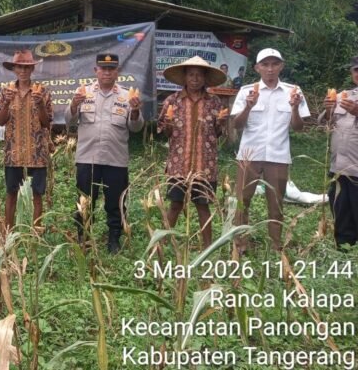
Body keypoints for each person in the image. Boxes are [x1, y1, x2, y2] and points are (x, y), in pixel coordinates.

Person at [231, 48, 309, 253]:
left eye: (275, 64)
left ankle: (275, 246)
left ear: (281, 66)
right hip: (249, 155)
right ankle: (240, 244)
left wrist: (294, 108)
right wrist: (248, 106)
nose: (270, 69)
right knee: (242, 200)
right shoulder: (246, 91)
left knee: (276, 203)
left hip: (278, 155)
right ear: (257, 68)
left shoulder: (293, 91)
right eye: (265, 64)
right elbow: (237, 125)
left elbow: (299, 127)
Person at [65, 53, 142, 253]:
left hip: (115, 160)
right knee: (84, 201)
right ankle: (84, 239)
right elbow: (69, 121)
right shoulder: (83, 93)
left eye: (111, 69)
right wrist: (74, 105)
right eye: (103, 69)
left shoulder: (127, 96)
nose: (107, 72)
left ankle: (114, 240)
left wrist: (134, 112)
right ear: (95, 71)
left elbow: (135, 128)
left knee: (116, 202)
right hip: (87, 158)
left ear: (117, 72)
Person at [158, 56, 228, 249]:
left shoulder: (214, 102)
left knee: (203, 205)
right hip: (179, 163)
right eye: (191, 75)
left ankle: (207, 247)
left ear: (205, 78)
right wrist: (169, 125)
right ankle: (162, 243)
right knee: (175, 204)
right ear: (185, 77)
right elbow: (165, 132)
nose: (195, 79)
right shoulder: (172, 101)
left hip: (205, 165)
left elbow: (218, 132)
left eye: (199, 75)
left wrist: (221, 123)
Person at [0, 48, 53, 230]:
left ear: (32, 70)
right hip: (13, 153)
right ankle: (9, 231)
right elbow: (1, 121)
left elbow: (46, 123)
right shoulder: (6, 92)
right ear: (14, 69)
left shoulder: (42, 92)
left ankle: (36, 231)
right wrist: (5, 103)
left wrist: (40, 105)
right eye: (19, 67)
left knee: (37, 194)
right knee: (11, 193)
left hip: (37, 153)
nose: (23, 71)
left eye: (26, 68)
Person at [321, 56, 358, 248]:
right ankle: (344, 250)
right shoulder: (344, 95)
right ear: (352, 73)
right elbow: (327, 124)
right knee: (341, 211)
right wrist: (328, 110)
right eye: (356, 70)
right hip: (339, 168)